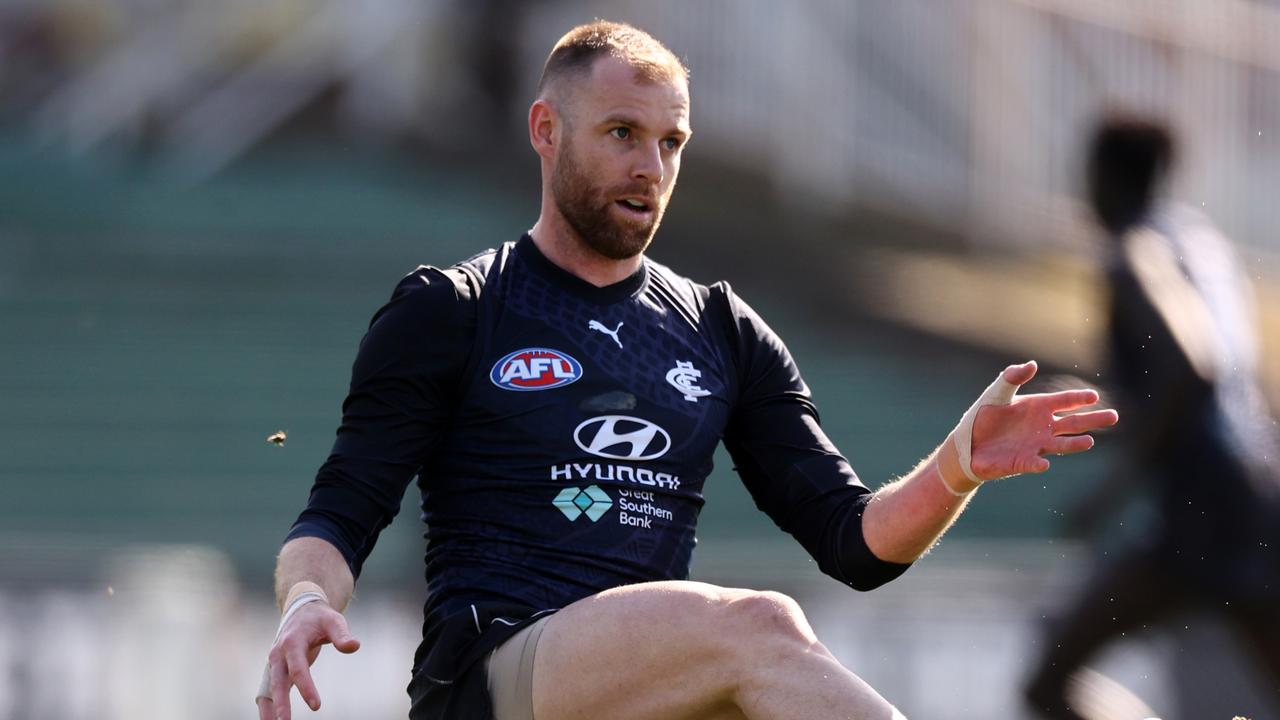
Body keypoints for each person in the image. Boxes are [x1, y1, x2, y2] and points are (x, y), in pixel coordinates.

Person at [256, 20, 1117, 720]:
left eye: (671, 142)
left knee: (756, 666)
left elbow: (855, 542)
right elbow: (340, 508)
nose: (650, 168)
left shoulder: (721, 330)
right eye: (623, 134)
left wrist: (956, 465)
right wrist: (305, 602)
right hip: (494, 679)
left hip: (652, 693)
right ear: (545, 131)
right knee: (762, 626)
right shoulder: (455, 307)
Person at [1023, 115, 1280, 719]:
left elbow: (1195, 366)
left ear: (1106, 177)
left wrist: (1110, 487)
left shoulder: (1136, 253)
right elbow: (1211, 382)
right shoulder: (1202, 244)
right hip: (1255, 498)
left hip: (1205, 512)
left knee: (1048, 682)